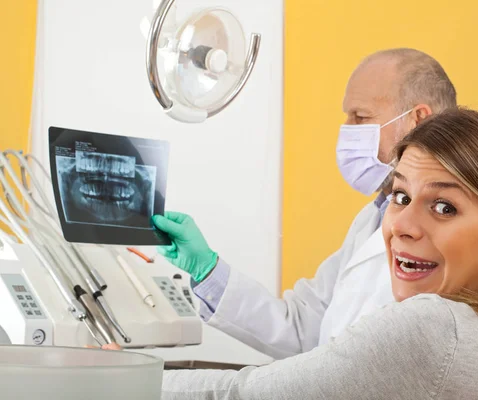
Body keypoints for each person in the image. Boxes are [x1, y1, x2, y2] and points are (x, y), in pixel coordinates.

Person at [160, 109, 478, 399]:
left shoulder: (435, 327)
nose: (401, 225)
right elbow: (310, 330)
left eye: (444, 207)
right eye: (400, 195)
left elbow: (242, 395)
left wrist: (113, 383)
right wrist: (209, 271)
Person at [152, 49, 458, 359]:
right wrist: (207, 270)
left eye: (361, 117)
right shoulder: (373, 217)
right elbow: (303, 329)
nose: (347, 130)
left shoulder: (459, 228)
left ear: (419, 119)